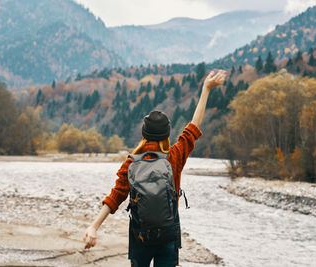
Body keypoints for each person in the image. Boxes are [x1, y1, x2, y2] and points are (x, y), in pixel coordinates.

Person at [83, 69, 227, 266]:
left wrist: (93, 227)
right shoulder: (174, 157)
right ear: (167, 135)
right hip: (168, 234)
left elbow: (115, 196)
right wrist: (206, 89)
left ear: (144, 135)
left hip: (139, 235)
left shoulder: (131, 162)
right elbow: (193, 128)